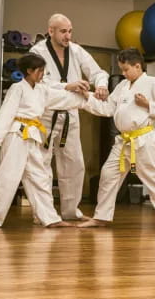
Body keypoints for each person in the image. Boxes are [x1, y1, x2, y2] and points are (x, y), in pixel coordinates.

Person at [77, 48, 155, 229]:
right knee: (108, 174)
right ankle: (102, 216)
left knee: (154, 178)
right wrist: (88, 97)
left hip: (143, 139)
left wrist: (147, 104)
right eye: (121, 70)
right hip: (123, 141)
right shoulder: (122, 86)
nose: (123, 73)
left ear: (137, 66)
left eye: (125, 69)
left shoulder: (151, 82)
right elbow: (108, 107)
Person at [0, 53, 87, 228]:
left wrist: (86, 97)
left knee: (39, 177)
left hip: (32, 136)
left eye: (43, 70)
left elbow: (63, 98)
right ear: (29, 71)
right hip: (16, 135)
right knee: (7, 177)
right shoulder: (17, 88)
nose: (42, 74)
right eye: (39, 71)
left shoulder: (42, 90)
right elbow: (6, 113)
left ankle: (50, 218)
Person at [30, 13, 109, 221]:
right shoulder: (37, 52)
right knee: (42, 165)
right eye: (63, 31)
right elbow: (39, 82)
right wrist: (67, 85)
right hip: (46, 114)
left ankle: (70, 211)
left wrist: (101, 85)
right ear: (51, 31)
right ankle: (43, 214)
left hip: (70, 115)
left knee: (74, 164)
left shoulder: (76, 51)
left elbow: (97, 72)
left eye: (70, 31)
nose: (68, 36)